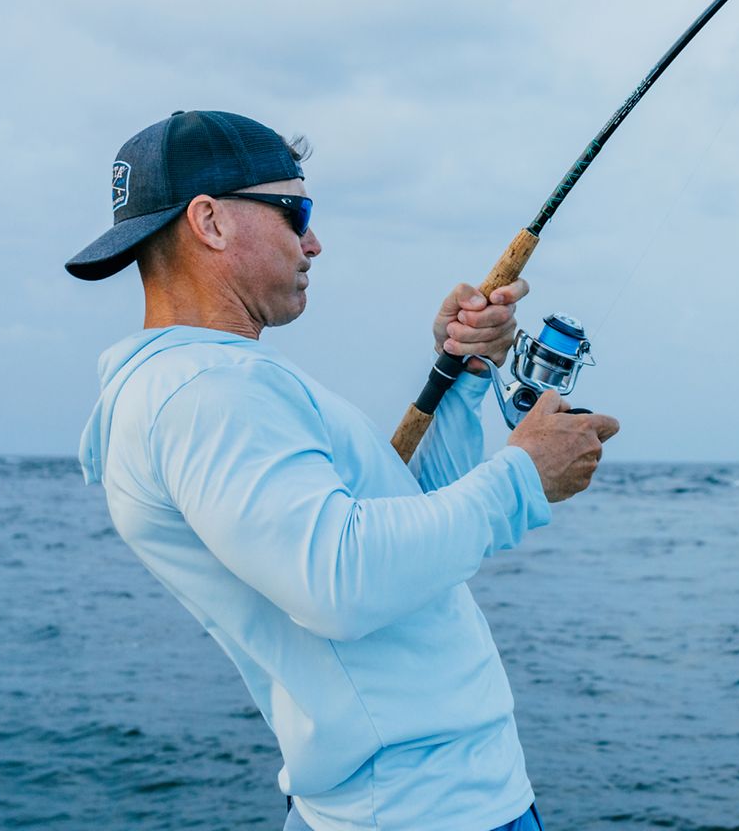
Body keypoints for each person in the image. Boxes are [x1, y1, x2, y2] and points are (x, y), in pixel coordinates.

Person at [67, 109, 619, 831]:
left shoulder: (224, 382)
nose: (314, 242)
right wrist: (524, 476)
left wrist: (464, 372)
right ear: (210, 222)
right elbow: (341, 581)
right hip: (423, 813)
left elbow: (404, 528)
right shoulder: (205, 394)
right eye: (296, 212)